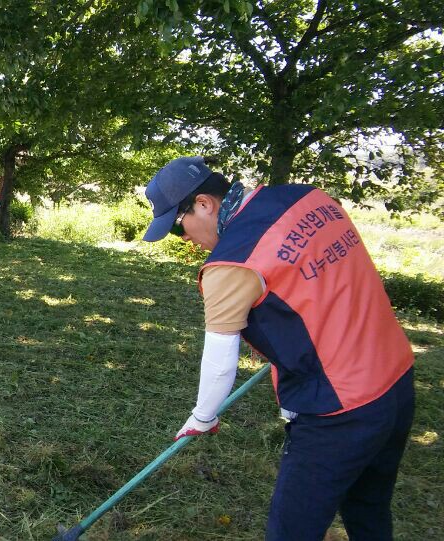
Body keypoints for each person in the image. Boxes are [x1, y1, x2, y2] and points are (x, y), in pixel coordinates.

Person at [142, 156, 415, 540]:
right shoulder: (309, 199)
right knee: (368, 508)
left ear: (204, 204)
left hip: (340, 411)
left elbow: (220, 365)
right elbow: (324, 286)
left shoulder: (230, 266)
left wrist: (203, 417)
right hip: (397, 381)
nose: (184, 238)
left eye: (177, 227)